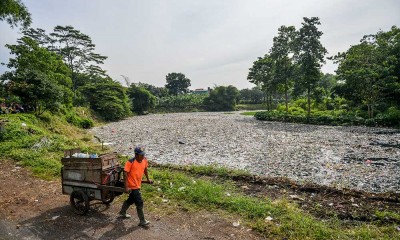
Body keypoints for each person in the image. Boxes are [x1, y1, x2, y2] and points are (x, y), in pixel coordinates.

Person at [119, 145, 153, 226]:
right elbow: (125, 173)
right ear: (136, 154)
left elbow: (145, 169)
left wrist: (148, 179)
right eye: (141, 155)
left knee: (131, 199)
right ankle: (142, 221)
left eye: (143, 154)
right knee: (139, 202)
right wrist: (126, 186)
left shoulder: (144, 160)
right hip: (132, 185)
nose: (143, 156)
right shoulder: (130, 162)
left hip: (138, 184)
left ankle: (122, 212)